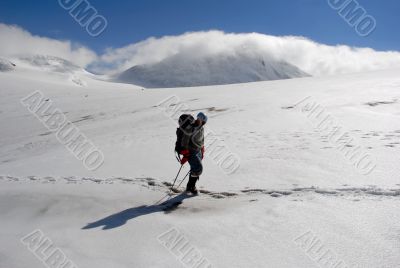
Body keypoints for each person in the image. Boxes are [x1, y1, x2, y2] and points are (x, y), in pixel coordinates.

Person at [176, 112, 207, 194]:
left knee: (195, 169)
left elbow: (202, 138)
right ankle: (190, 186)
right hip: (191, 150)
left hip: (198, 150)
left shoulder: (201, 128)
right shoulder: (191, 127)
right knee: (198, 169)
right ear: (198, 119)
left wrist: (202, 148)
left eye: (203, 122)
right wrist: (185, 152)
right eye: (201, 120)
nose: (202, 123)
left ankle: (190, 187)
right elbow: (185, 140)